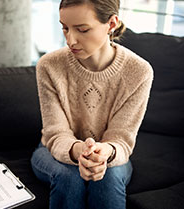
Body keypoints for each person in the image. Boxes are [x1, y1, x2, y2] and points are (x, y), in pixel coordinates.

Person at [31, 0, 153, 208]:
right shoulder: (49, 66)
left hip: (110, 153)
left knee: (107, 176)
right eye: (65, 28)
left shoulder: (139, 72)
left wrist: (104, 153)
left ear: (111, 24)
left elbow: (121, 141)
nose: (70, 40)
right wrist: (79, 151)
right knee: (69, 176)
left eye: (82, 29)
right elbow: (56, 133)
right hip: (55, 150)